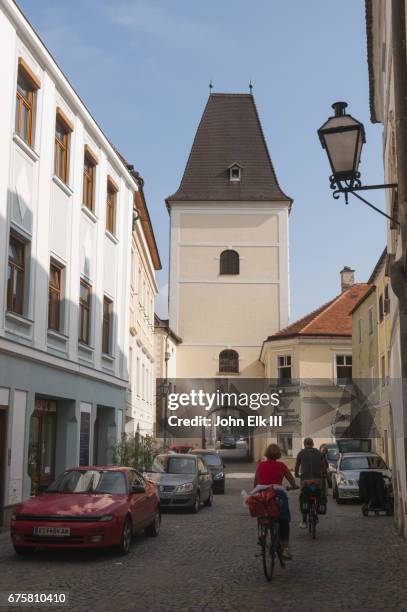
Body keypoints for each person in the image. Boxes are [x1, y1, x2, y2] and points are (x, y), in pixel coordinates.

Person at [254, 443, 298, 560]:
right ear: (278, 454)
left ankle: (262, 534)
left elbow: (256, 482)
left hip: (262, 492)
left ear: (266, 453)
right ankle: (285, 548)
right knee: (284, 519)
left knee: (262, 513)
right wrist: (294, 486)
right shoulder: (282, 466)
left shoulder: (261, 465)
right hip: (277, 493)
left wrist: (257, 490)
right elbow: (292, 481)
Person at [295, 438, 327, 529]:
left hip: (305, 481)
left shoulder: (301, 453)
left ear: (304, 444)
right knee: (318, 493)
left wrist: (297, 474)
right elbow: (323, 466)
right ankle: (316, 512)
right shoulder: (318, 453)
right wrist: (324, 474)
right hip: (317, 481)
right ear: (312, 444)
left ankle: (304, 520)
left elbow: (297, 466)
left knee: (304, 496)